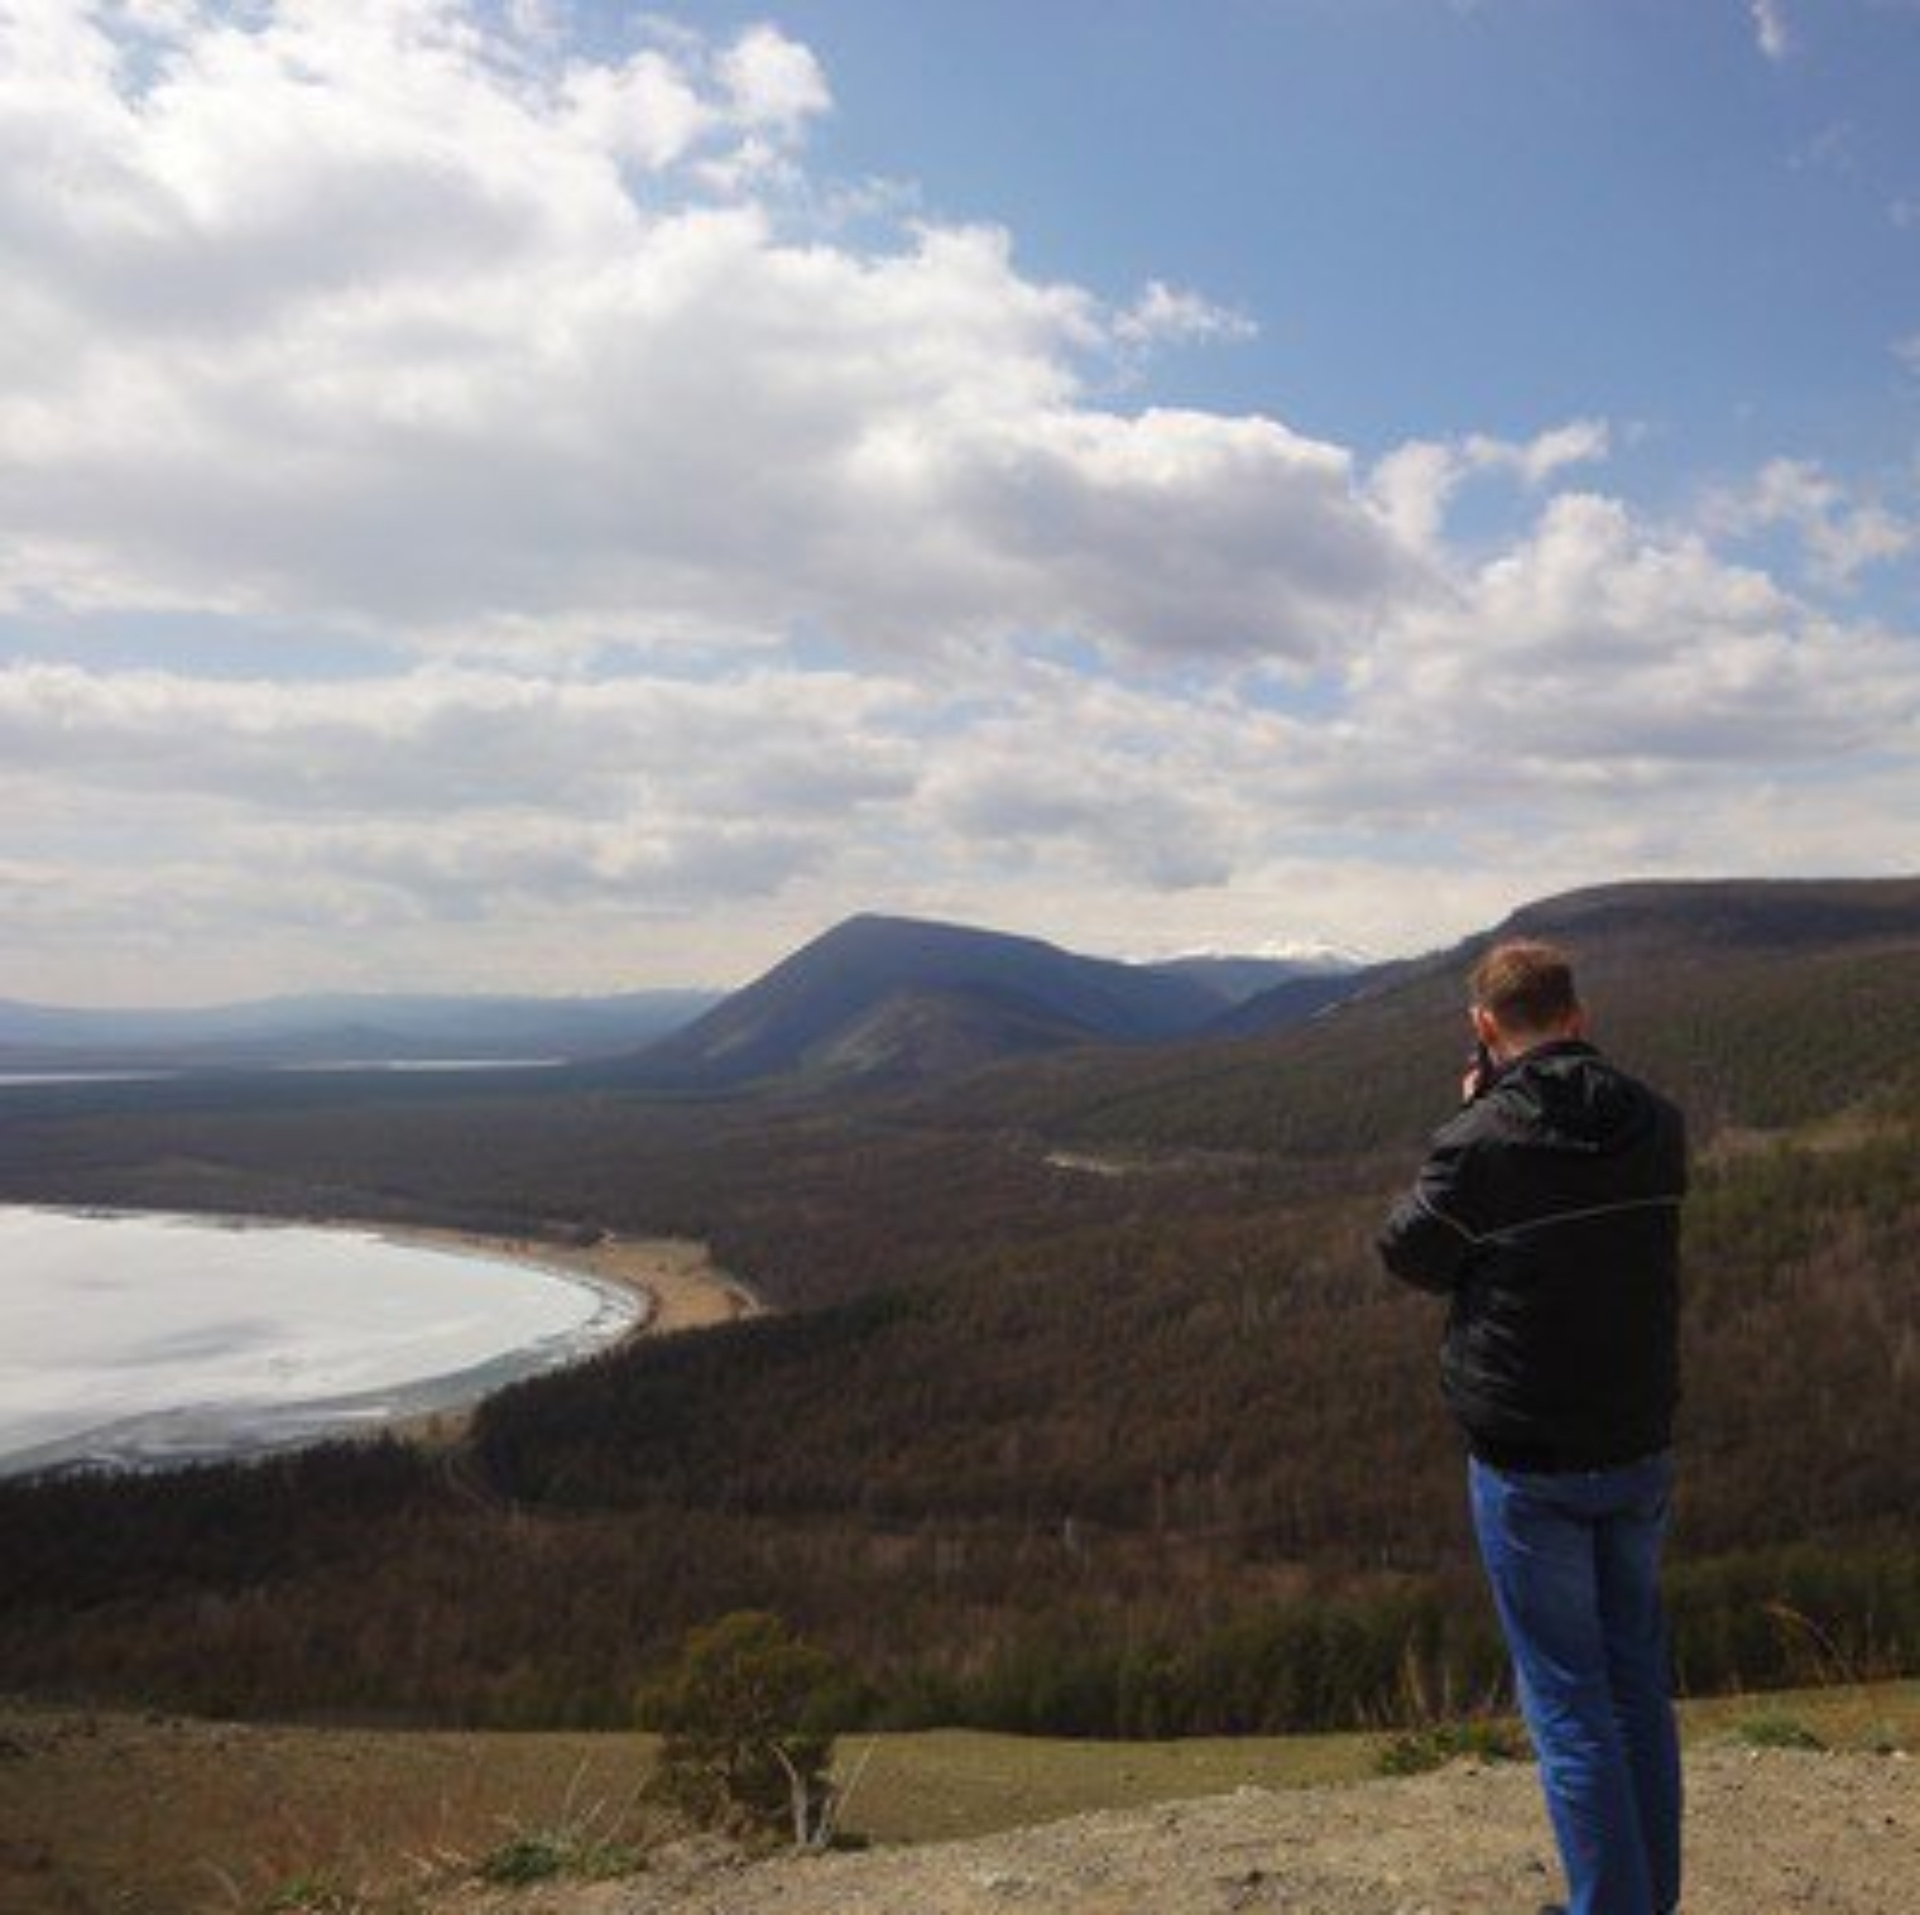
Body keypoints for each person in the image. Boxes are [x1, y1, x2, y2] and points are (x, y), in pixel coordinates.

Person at [1377, 939, 1687, 1915]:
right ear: (1578, 1015)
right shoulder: (1659, 1124)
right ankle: (1648, 1898)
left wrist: (1476, 1106)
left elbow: (1410, 1251)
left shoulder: (1483, 1140)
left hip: (1527, 1457)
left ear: (1484, 1026)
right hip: (1637, 1440)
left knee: (1567, 1699)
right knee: (1635, 1680)